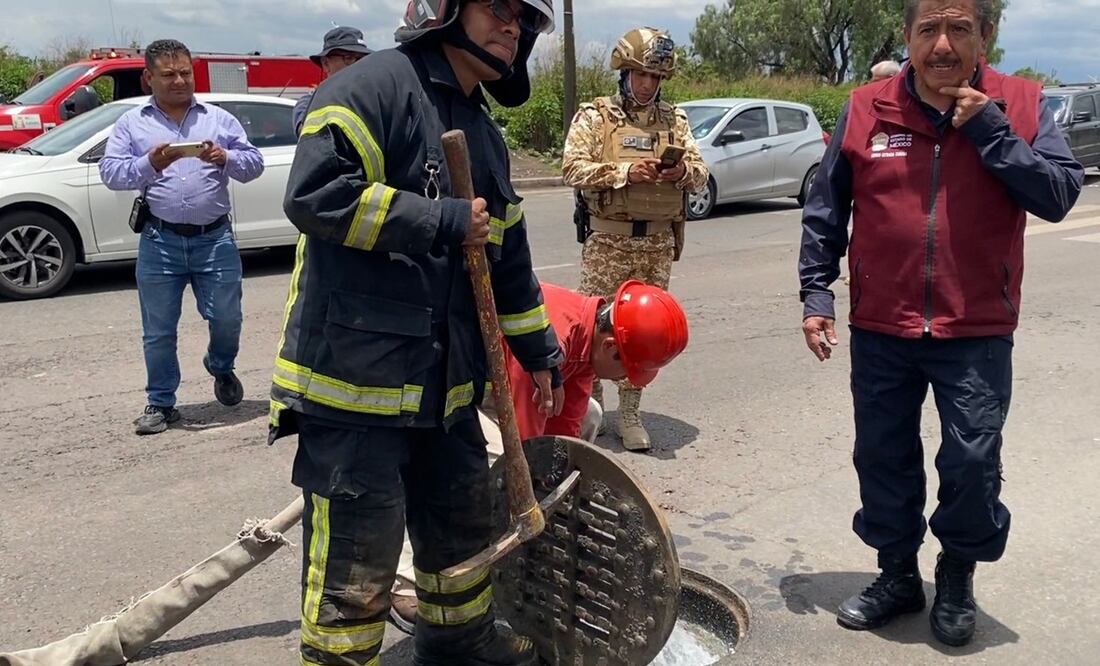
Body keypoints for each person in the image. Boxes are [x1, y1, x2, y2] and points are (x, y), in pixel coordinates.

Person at [269, 1, 559, 665]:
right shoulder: (371, 89)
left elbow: (506, 257)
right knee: (358, 564)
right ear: (442, 10)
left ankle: (460, 647)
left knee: (459, 537)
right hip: (354, 390)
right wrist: (439, 219)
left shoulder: (482, 131)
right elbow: (314, 196)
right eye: (498, 7)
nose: (514, 25)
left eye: (524, 16)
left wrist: (538, 346)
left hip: (446, 391)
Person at [798, 0, 1084, 647]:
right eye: (929, 29)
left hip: (976, 328)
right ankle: (897, 574)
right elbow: (825, 210)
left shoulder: (1023, 104)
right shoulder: (865, 107)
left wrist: (992, 134)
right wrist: (817, 296)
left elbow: (1058, 195)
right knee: (883, 458)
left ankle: (956, 573)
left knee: (974, 463)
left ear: (986, 35)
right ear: (908, 38)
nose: (944, 45)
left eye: (960, 28)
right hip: (881, 326)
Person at [388, 279, 690, 633]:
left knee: (592, 414)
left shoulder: (586, 337)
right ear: (610, 346)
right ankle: (407, 581)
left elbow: (567, 424)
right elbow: (523, 438)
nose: (625, 379)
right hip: (435, 382)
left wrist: (555, 481)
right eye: (627, 370)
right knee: (490, 460)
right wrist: (528, 493)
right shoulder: (554, 335)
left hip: (489, 382)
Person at [100, 39, 264, 436]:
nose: (179, 81)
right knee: (158, 330)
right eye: (169, 74)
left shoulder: (218, 119)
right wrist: (149, 163)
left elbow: (254, 164)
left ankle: (221, 366)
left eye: (185, 73)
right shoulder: (132, 123)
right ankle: (160, 403)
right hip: (160, 241)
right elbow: (111, 173)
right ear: (148, 78)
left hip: (215, 240)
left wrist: (225, 157)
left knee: (227, 318)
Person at [562, 27, 708, 452]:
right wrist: (626, 172)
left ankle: (629, 413)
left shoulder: (674, 120)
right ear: (624, 73)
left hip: (656, 244)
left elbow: (701, 172)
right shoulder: (596, 116)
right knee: (594, 328)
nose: (648, 85)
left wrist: (679, 172)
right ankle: (587, 409)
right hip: (609, 240)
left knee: (642, 334)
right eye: (642, 75)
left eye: (656, 78)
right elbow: (572, 168)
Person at [293, 26, 373, 134]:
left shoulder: (372, 100)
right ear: (326, 63)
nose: (357, 65)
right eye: (348, 58)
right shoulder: (307, 104)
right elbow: (308, 135)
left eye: (362, 59)